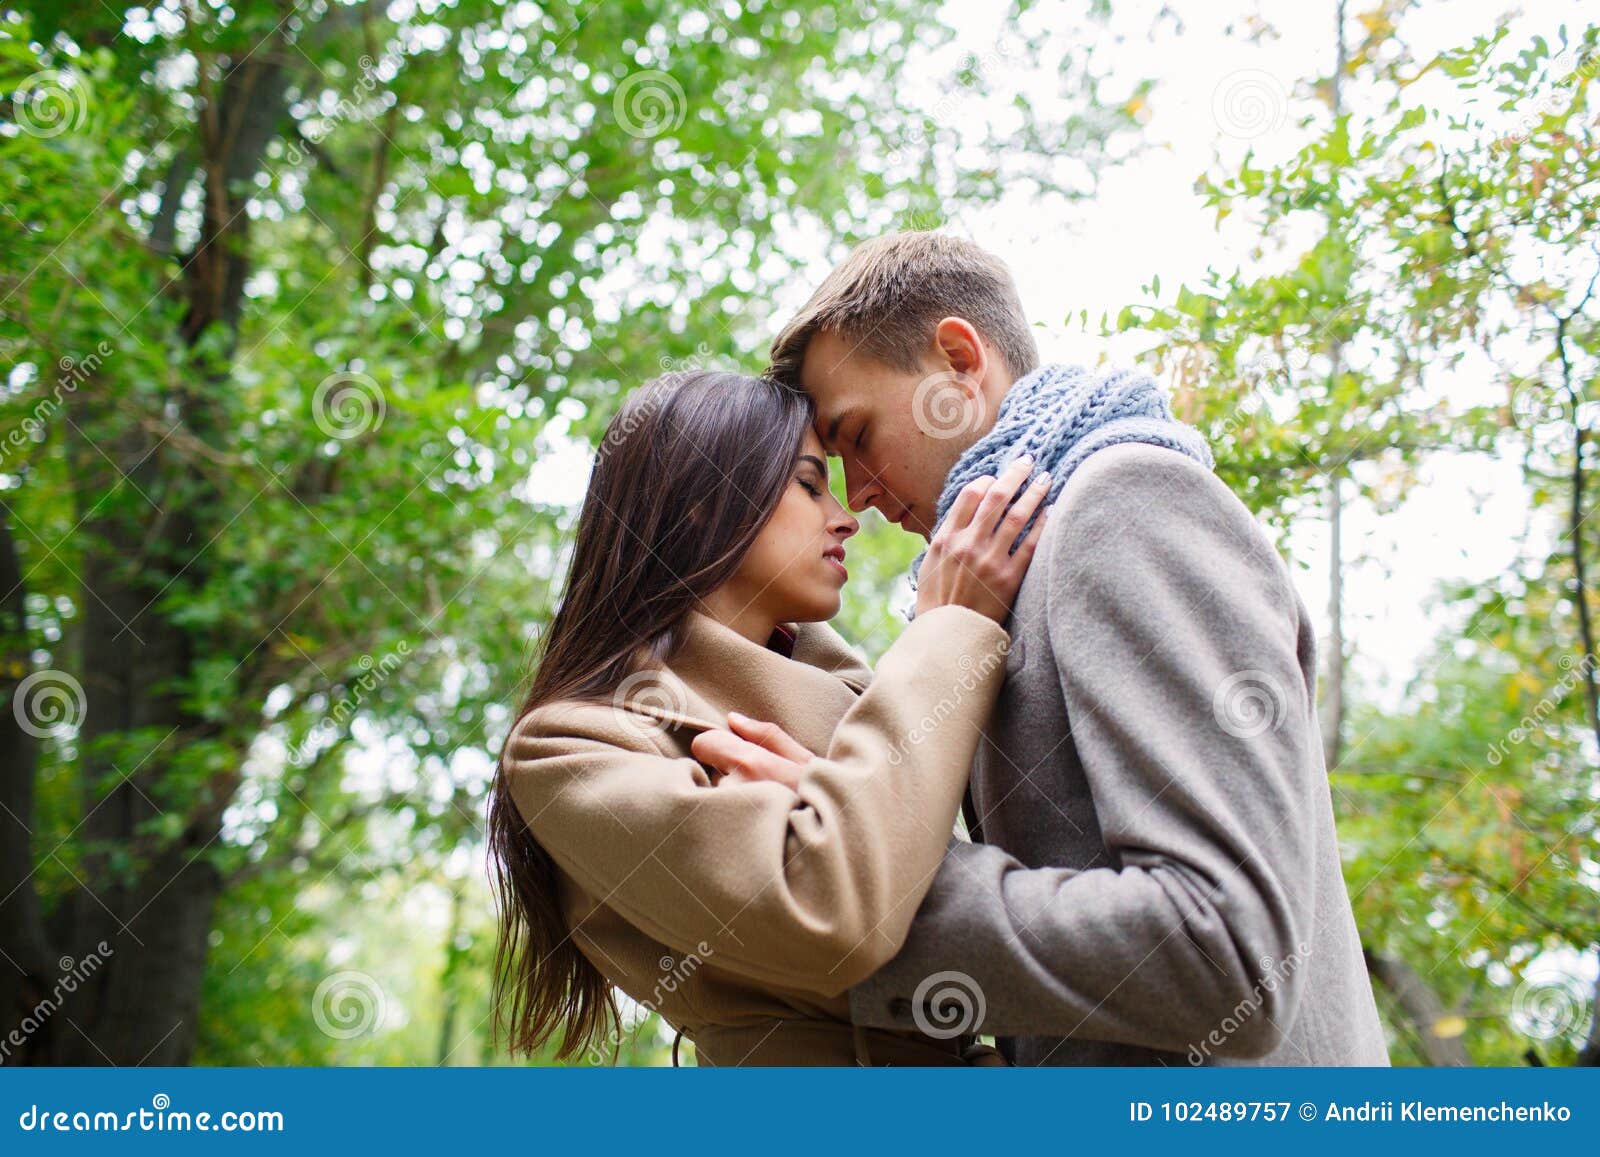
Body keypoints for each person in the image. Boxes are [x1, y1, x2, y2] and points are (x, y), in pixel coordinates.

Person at [705, 231, 1390, 1066]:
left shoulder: (1124, 501)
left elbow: (1231, 955)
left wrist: (869, 898)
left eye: (856, 436)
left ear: (959, 361)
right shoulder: (1014, 577)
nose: (862, 495)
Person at [487, 368, 1048, 1065]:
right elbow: (832, 915)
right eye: (811, 484)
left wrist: (826, 796)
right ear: (700, 504)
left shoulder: (854, 697)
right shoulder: (570, 748)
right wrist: (950, 624)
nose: (846, 515)